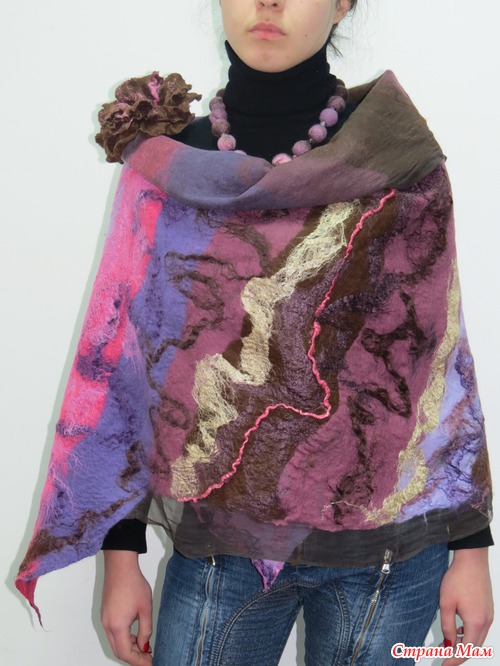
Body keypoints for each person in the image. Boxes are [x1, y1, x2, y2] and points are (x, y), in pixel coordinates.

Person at [16, 1, 493, 665]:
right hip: (218, 554)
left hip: (388, 558)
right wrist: (121, 559)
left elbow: (438, 366)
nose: (268, 1)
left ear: (343, 3)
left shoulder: (400, 162)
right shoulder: (167, 168)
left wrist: (471, 551)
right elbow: (125, 373)